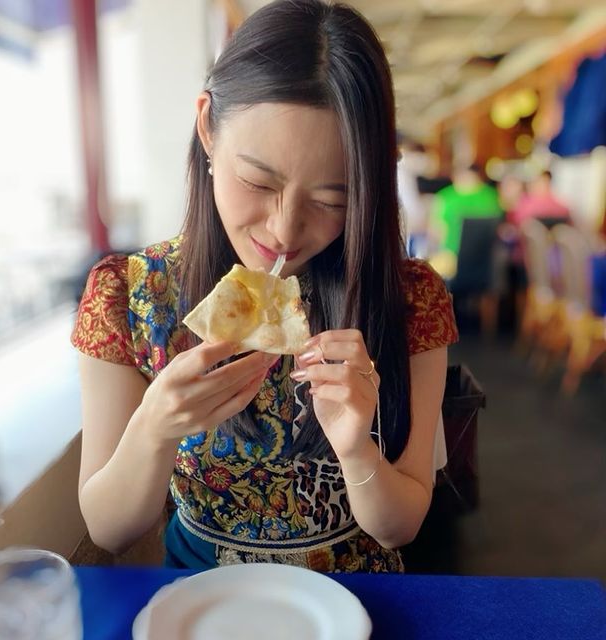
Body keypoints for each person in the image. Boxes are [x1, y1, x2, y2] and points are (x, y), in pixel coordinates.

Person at [71, 0, 458, 573]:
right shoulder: (130, 298)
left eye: (332, 200)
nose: (284, 230)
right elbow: (110, 531)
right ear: (208, 128)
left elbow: (399, 529)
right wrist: (154, 429)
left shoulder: (408, 299)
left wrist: (356, 449)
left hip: (356, 598)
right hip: (201, 598)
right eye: (257, 181)